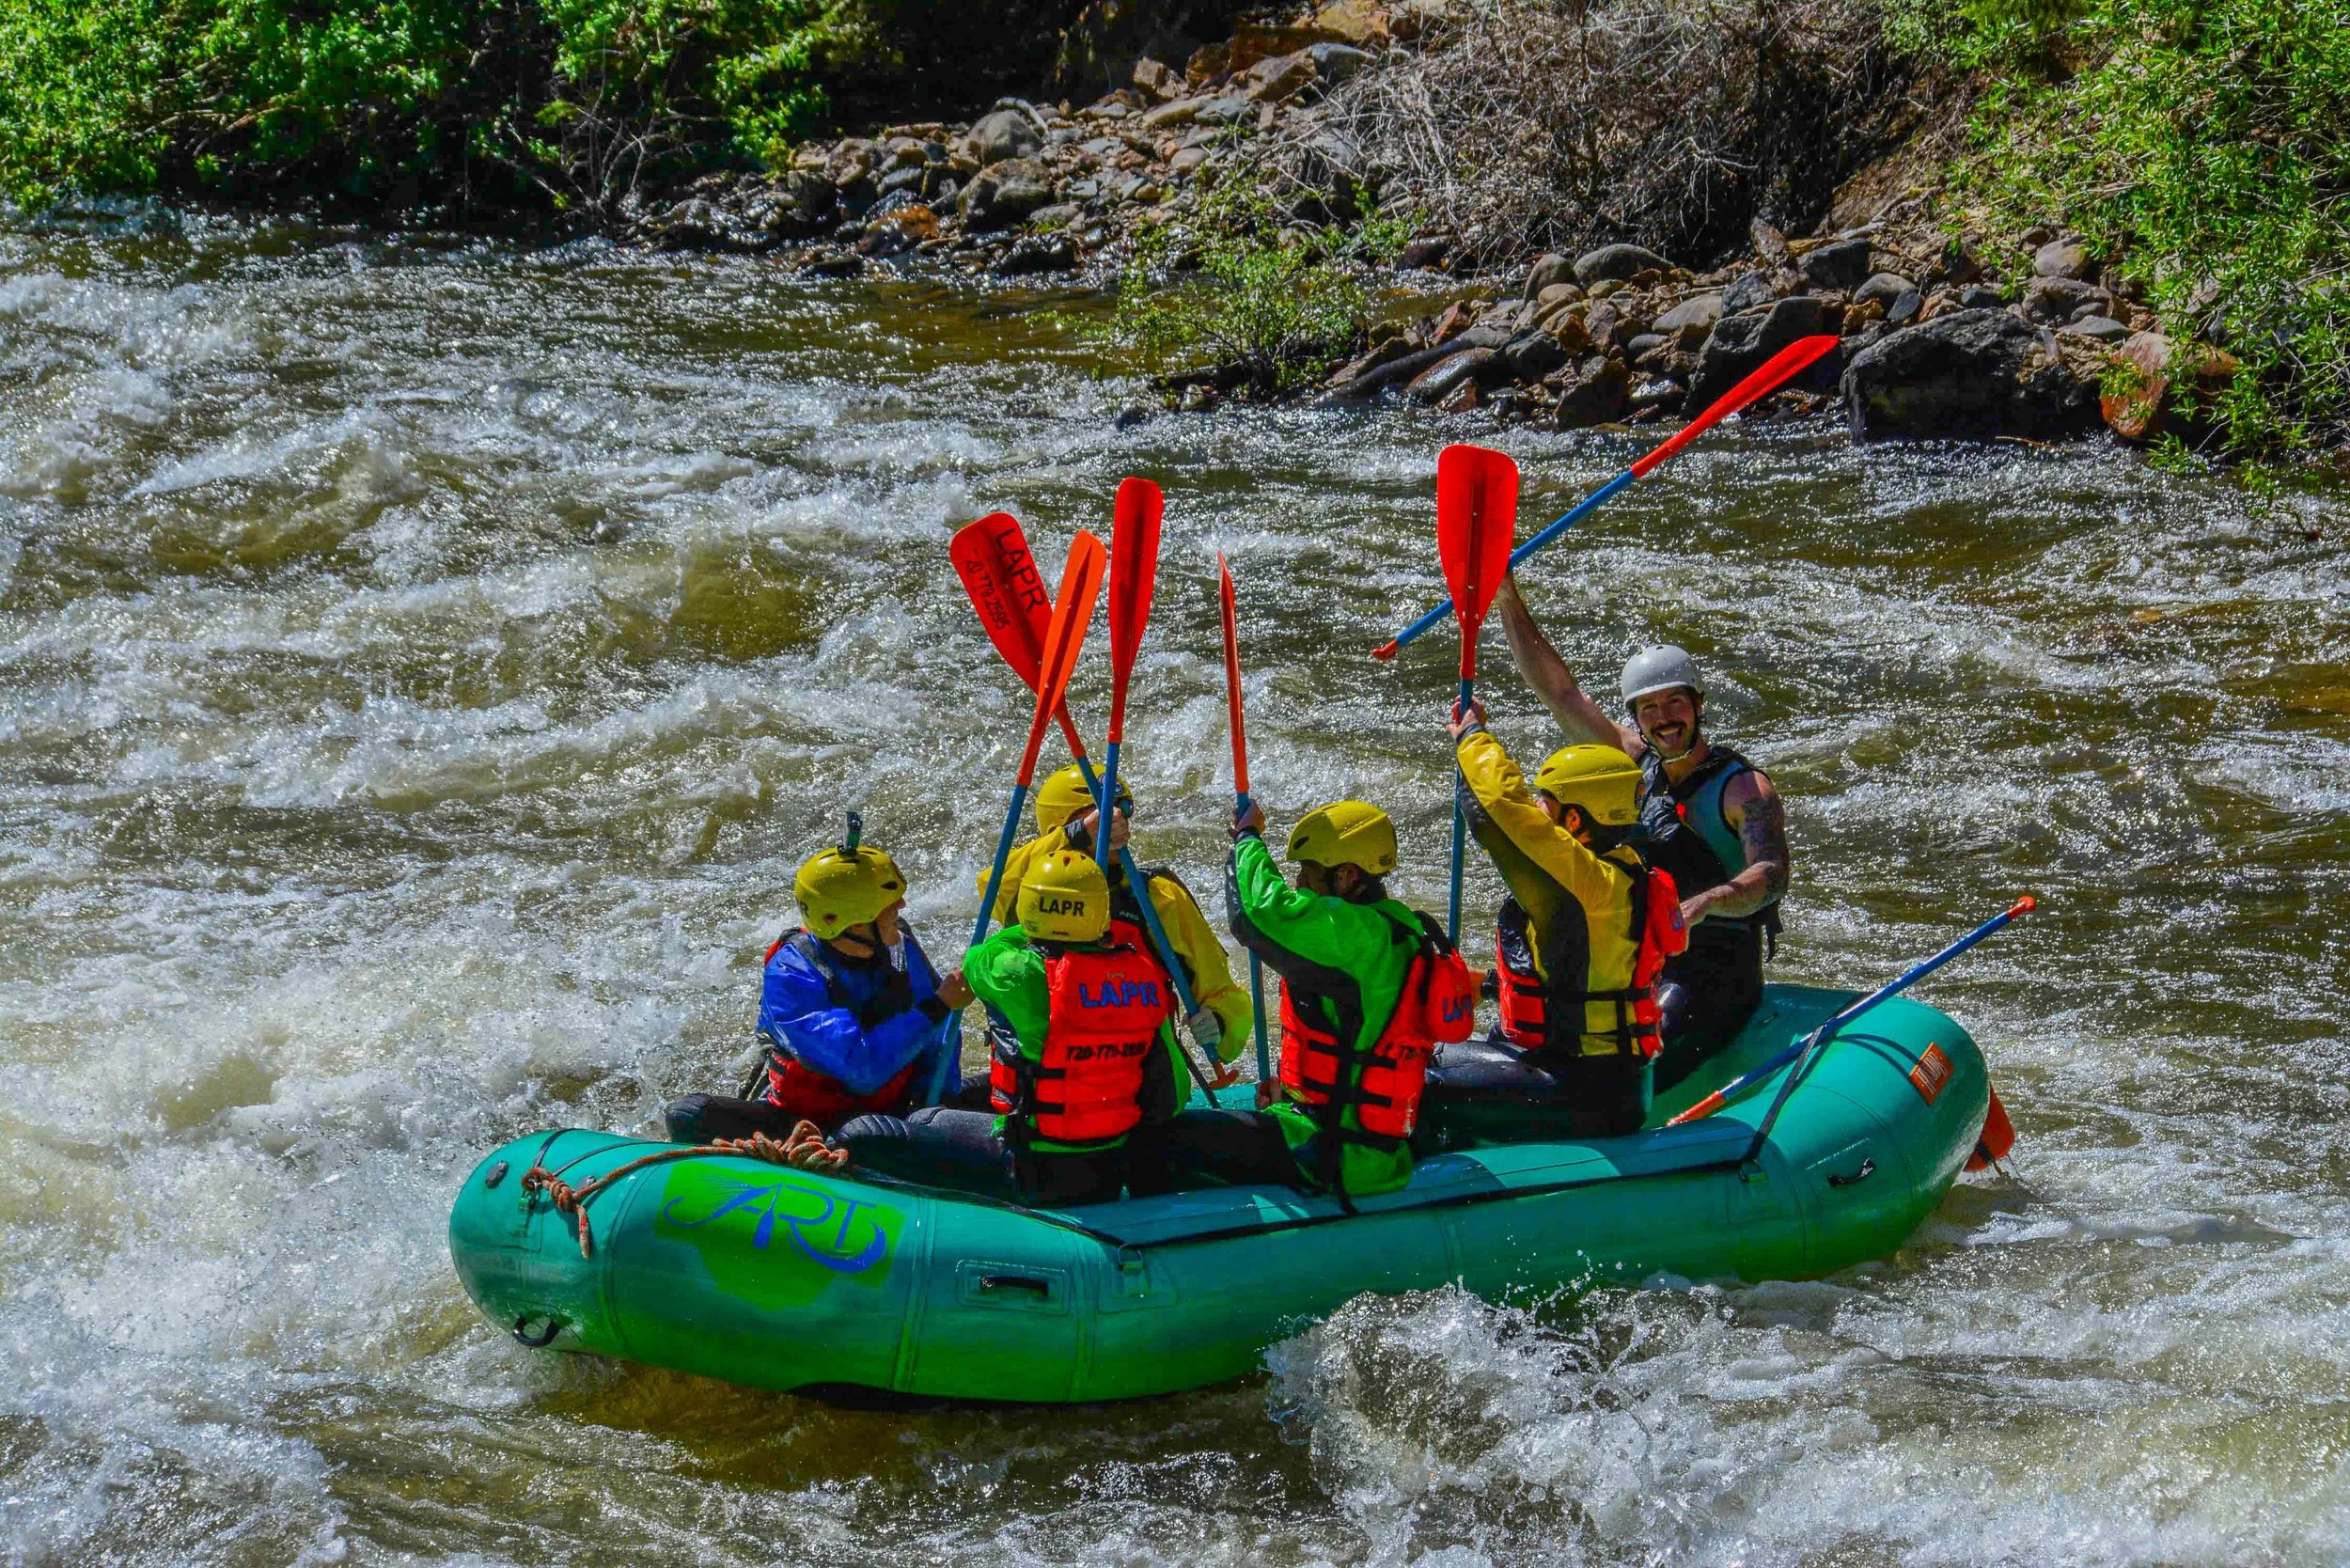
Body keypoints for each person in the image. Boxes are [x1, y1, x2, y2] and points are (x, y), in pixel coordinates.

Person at [1493, 575, 1789, 1086]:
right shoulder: (1633, 765)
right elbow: (1560, 693)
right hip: (1639, 961)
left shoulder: (1743, 789)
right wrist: (1505, 599)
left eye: (1676, 703)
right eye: (1649, 708)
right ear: (1636, 717)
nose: (1664, 718)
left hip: (1715, 969)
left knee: (1628, 1062)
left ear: (1697, 706)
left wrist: (1707, 903)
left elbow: (1772, 872)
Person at [1151, 799, 1475, 1200]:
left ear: (1348, 876)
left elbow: (1257, 914)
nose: (1299, 883)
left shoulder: (1357, 937)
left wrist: (1247, 839)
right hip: (1355, 1135)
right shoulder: (1400, 924)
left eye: (1307, 871)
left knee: (1165, 1143)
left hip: (1334, 1151)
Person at [824, 848, 1180, 1205]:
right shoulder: (1144, 976)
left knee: (878, 1129)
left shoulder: (1017, 971)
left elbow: (978, 956)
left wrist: (1030, 928)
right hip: (1109, 1164)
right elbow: (1171, 1090)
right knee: (948, 1105)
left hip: (1032, 1169)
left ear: (1029, 907)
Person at [1430, 703, 1690, 1138]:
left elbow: (1498, 812)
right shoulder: (1624, 873)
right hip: (1606, 1079)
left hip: (1581, 1089)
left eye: (1546, 804)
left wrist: (1471, 736)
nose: (1536, 808)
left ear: (1575, 820)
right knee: (1422, 1051)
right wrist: (1496, 984)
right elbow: (1591, 973)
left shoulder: (1585, 884)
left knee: (1414, 1086)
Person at [664, 824, 974, 1145]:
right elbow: (861, 1067)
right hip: (801, 1122)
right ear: (853, 920)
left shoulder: (900, 950)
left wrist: (935, 1105)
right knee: (689, 1113)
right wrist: (938, 1006)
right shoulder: (792, 974)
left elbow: (941, 1038)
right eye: (889, 904)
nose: (902, 906)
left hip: (889, 1115)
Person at [985, 762, 1250, 1099]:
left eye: (1122, 811)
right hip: (1056, 1085)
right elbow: (991, 889)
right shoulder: (1028, 894)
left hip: (1143, 1085)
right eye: (1099, 816)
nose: (1117, 823)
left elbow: (1223, 990)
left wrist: (1221, 1021)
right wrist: (1076, 834)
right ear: (1062, 826)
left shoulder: (1159, 897)